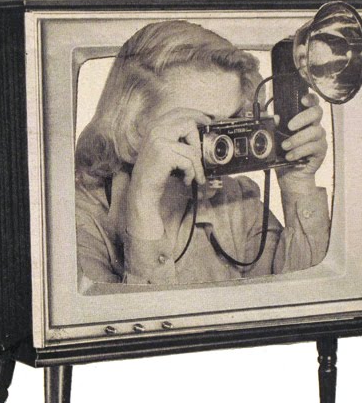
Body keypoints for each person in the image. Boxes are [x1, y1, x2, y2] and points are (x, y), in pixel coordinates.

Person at [75, 20, 331, 288]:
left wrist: (297, 184)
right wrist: (143, 204)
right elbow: (144, 316)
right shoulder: (77, 221)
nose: (218, 149)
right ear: (135, 124)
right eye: (201, 127)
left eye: (229, 123)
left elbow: (302, 298)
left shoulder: (236, 202)